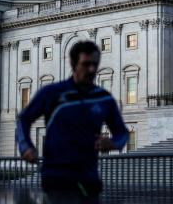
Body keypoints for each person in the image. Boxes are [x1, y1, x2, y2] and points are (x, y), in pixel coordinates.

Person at [16, 40, 129, 203]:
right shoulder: (53, 93)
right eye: (86, 64)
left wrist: (112, 143)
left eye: (95, 64)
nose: (91, 69)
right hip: (57, 177)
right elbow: (23, 119)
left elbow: (122, 133)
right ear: (73, 64)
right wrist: (25, 146)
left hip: (88, 177)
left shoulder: (104, 98)